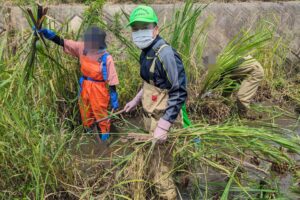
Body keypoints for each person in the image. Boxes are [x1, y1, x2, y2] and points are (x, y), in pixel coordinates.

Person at [124, 5, 190, 199]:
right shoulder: (146, 51)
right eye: (135, 28)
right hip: (150, 117)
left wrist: (164, 124)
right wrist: (136, 99)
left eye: (144, 27)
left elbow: (179, 91)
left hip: (162, 118)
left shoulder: (165, 54)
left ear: (156, 29)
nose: (139, 32)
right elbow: (151, 82)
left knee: (161, 174)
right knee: (157, 163)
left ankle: (169, 195)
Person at [34, 26, 119, 141]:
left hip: (99, 88)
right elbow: (62, 42)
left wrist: (114, 96)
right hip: (84, 85)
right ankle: (89, 133)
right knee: (85, 110)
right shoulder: (82, 47)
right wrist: (48, 34)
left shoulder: (106, 57)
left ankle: (104, 136)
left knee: (100, 112)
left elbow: (112, 78)